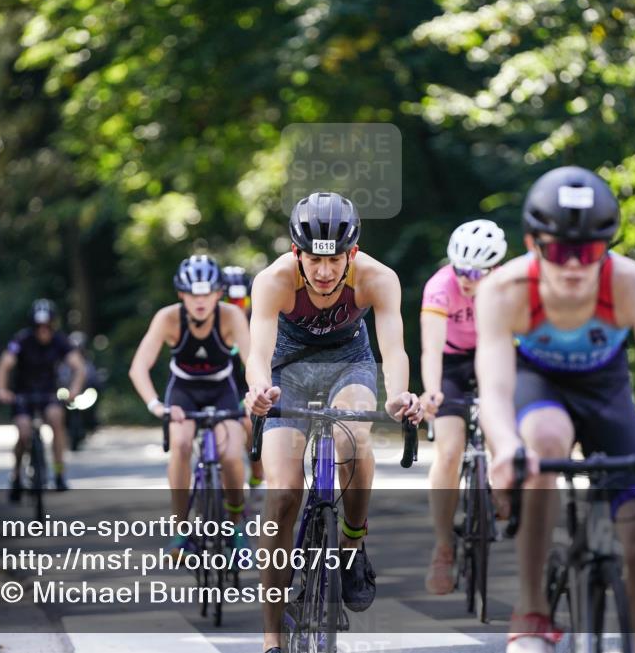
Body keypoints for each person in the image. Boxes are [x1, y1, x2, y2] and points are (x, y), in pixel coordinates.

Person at [474, 167, 635, 653]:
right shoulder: (504, 289)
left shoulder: (631, 282)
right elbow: (496, 386)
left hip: (605, 392)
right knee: (545, 440)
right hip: (538, 386)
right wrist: (507, 447)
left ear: (607, 248)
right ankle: (531, 609)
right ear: (534, 244)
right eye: (560, 251)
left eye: (589, 252)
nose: (574, 266)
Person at [244, 191, 424, 653]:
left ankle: (351, 543)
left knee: (354, 434)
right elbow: (258, 350)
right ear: (296, 253)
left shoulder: (378, 279)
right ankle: (271, 638)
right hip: (289, 371)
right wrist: (260, 390)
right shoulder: (273, 281)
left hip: (350, 363)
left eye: (336, 259)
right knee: (282, 494)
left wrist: (401, 395)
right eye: (314, 260)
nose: (324, 273)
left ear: (353, 253)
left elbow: (394, 350)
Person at [128, 255, 251, 553]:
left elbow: (251, 362)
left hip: (221, 389)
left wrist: (253, 395)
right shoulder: (168, 318)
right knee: (181, 444)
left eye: (207, 293)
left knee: (232, 455)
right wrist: (157, 406)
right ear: (181, 294)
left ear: (219, 293)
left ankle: (236, 526)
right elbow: (138, 367)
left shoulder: (231, 317)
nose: (200, 301)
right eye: (193, 294)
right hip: (183, 391)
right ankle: (181, 530)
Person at [420, 219, 507, 594]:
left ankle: (502, 490)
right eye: (460, 269)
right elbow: (431, 348)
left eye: (475, 272)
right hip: (451, 362)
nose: (467, 278)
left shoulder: (506, 286)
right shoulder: (441, 287)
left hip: (493, 353)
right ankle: (443, 546)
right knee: (450, 449)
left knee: (502, 429)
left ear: (493, 269)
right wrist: (431, 391)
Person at [0, 299, 86, 497]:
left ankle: (59, 473)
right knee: (24, 431)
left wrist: (74, 390)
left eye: (47, 326)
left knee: (56, 419)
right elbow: (4, 364)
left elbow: (78, 366)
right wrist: (2, 390)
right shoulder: (21, 340)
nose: (43, 331)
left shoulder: (60, 340)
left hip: (48, 393)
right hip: (23, 395)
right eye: (39, 327)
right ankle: (16, 474)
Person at [221, 265, 265, 490]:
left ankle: (257, 474)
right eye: (230, 302)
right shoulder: (209, 321)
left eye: (242, 302)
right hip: (215, 387)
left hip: (243, 387)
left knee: (249, 423)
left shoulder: (255, 324)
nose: (236, 308)